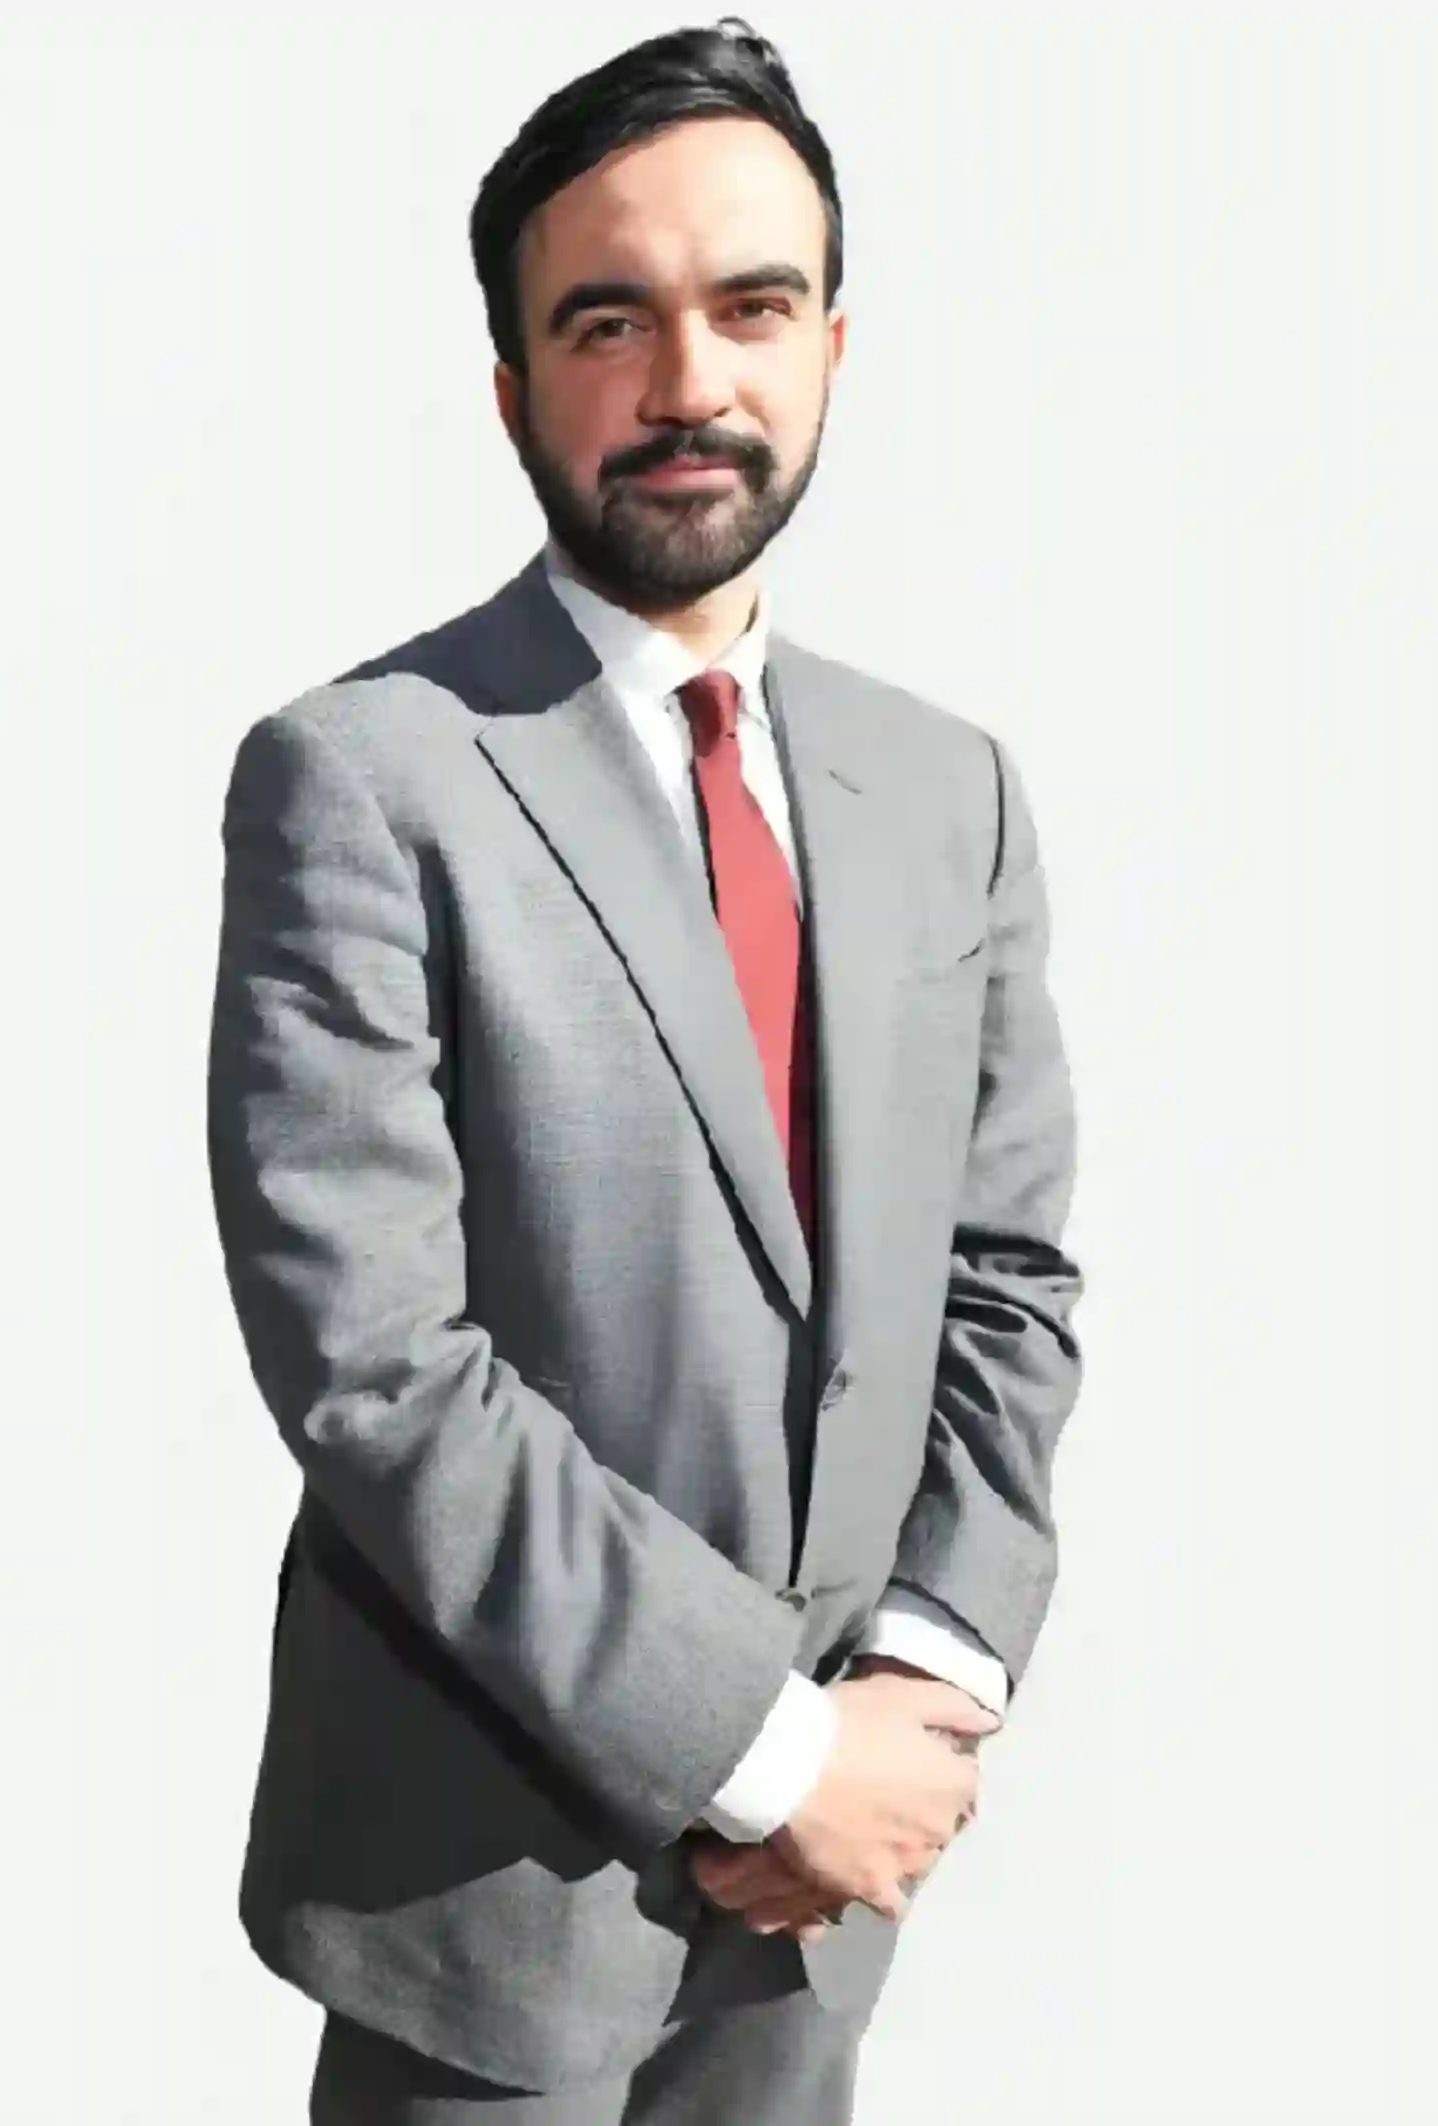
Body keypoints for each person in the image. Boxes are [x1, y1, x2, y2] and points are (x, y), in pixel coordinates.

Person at [205, 17, 1084, 2123]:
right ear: (513, 383)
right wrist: (766, 1750)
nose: (690, 382)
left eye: (752, 308)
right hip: (488, 1904)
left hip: (823, 1915)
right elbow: (375, 1364)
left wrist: (919, 1691)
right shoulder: (366, 778)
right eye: (608, 321)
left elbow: (1006, 1285)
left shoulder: (945, 789)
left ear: (832, 349)